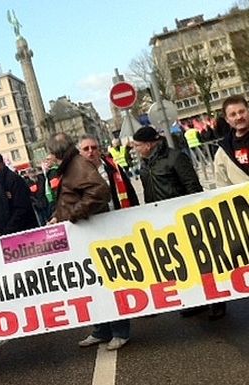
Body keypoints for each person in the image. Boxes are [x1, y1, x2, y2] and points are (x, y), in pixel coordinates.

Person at [132, 126, 225, 320]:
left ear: (149, 144)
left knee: (202, 261)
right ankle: (197, 301)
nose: (135, 149)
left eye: (138, 145)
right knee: (183, 264)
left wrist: (192, 214)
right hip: (163, 222)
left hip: (184, 219)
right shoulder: (145, 164)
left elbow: (193, 187)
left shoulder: (175, 158)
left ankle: (217, 301)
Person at [77, 134, 140, 350]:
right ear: (80, 152)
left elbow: (129, 194)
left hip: (115, 233)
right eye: (85, 148)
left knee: (115, 283)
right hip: (90, 236)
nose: (90, 151)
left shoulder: (113, 169)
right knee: (94, 285)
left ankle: (121, 331)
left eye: (94, 147)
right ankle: (101, 330)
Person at [47, 133, 110, 224]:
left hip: (90, 227)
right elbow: (69, 199)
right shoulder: (71, 165)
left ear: (55, 153)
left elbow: (100, 191)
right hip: (84, 227)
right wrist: (57, 217)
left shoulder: (78, 166)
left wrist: (73, 215)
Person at [0, 153, 37, 238]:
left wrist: (7, 232)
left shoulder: (13, 180)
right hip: (1, 236)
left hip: (21, 235)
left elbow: (22, 208)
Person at [215, 95, 249, 187]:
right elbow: (222, 187)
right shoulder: (223, 152)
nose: (239, 117)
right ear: (227, 119)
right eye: (233, 114)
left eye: (242, 112)